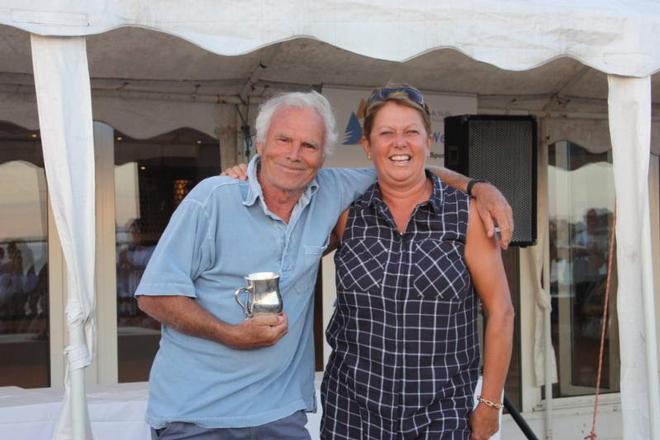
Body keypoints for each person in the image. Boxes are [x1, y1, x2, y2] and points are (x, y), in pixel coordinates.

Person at [136, 90, 512, 439]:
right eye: (283, 140)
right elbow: (154, 297)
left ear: (323, 156)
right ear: (260, 143)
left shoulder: (331, 195)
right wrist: (229, 333)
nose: (295, 154)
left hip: (285, 417)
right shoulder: (214, 200)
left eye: (309, 145)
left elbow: (410, 168)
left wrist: (482, 188)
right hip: (201, 418)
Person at [320, 85, 514, 439]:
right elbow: (282, 213)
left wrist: (489, 404)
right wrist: (244, 176)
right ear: (367, 146)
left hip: (440, 417)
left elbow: (501, 312)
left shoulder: (467, 216)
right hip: (352, 415)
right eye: (386, 133)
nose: (399, 143)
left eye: (411, 132)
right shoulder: (346, 214)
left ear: (428, 143)